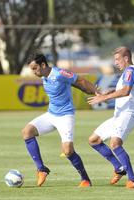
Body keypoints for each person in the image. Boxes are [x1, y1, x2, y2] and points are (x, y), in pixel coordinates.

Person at [22, 52, 97, 187]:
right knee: (27, 132)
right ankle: (41, 169)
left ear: (43, 65)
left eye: (34, 68)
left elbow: (81, 81)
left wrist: (98, 93)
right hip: (51, 115)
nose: (33, 72)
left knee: (68, 151)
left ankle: (85, 179)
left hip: (65, 116)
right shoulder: (45, 76)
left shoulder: (59, 73)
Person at [87, 46, 134, 189]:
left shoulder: (131, 70)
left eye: (118, 59)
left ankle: (133, 180)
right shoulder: (127, 73)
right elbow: (121, 89)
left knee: (115, 144)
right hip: (119, 116)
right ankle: (119, 168)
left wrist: (104, 97)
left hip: (129, 114)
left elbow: (125, 91)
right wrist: (109, 92)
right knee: (94, 140)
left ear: (126, 58)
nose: (116, 62)